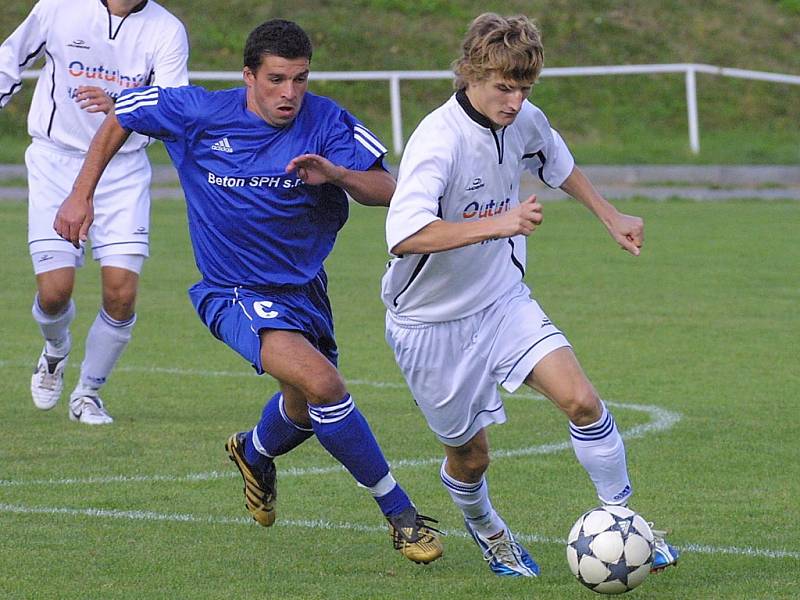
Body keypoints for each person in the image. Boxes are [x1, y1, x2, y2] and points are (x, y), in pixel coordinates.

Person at [54, 19, 443, 564]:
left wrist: (336, 174)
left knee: (305, 407)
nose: (290, 93)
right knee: (323, 383)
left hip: (305, 288)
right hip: (231, 289)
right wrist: (80, 195)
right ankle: (401, 514)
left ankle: (254, 452)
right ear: (248, 77)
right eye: (277, 79)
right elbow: (124, 111)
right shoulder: (200, 112)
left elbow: (389, 189)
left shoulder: (327, 120)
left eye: (301, 79)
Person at [381, 13, 679, 577]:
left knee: (583, 402)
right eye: (504, 88)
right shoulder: (437, 139)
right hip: (429, 324)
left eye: (524, 89)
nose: (515, 101)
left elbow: (558, 164)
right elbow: (405, 236)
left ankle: (624, 523)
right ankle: (490, 530)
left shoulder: (525, 120)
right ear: (470, 74)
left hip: (501, 300)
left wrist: (610, 216)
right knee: (471, 458)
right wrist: (501, 222)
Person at [0, 0, 189, 424]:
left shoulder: (167, 29)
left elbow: (173, 107)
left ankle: (87, 392)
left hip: (122, 168)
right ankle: (55, 350)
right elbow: (8, 61)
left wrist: (122, 104)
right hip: (56, 161)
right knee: (54, 291)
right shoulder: (58, 8)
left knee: (121, 293)